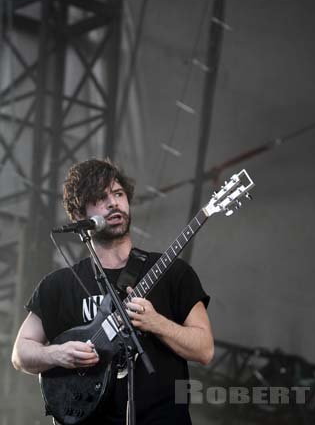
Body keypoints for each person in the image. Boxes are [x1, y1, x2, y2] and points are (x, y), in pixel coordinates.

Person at [11, 158, 214, 424]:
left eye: (118, 194)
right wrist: (58, 354)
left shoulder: (173, 273)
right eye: (100, 197)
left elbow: (205, 350)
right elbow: (20, 354)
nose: (113, 203)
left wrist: (158, 323)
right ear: (80, 215)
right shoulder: (60, 284)